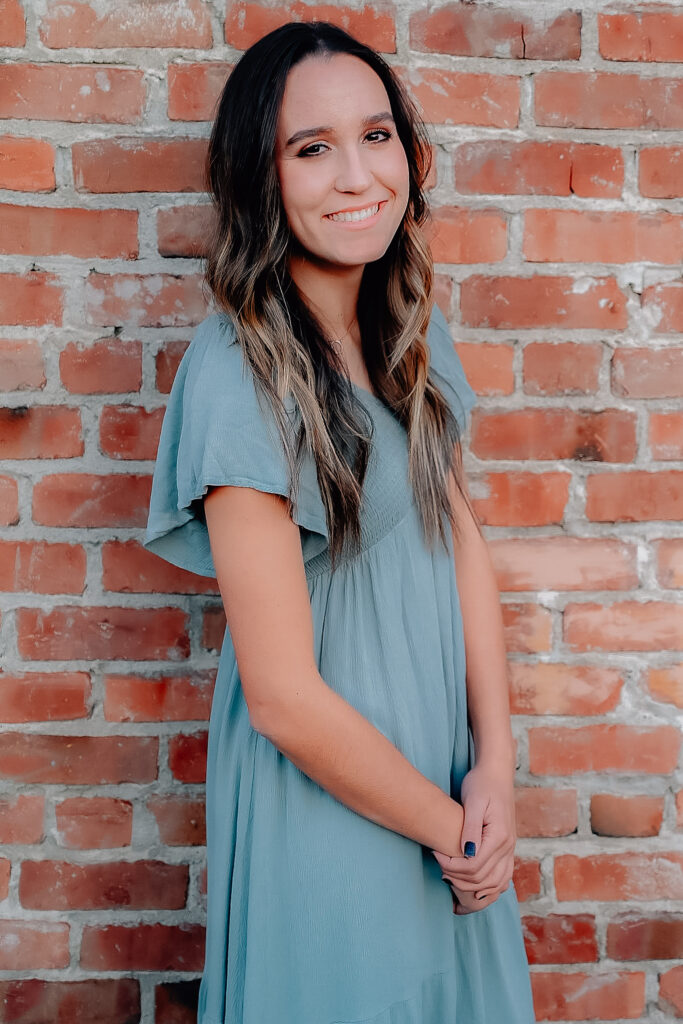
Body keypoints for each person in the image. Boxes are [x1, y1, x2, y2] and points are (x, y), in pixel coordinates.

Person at [143, 20, 535, 1024]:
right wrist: (447, 827)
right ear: (260, 178)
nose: (355, 174)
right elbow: (278, 697)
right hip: (333, 810)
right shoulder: (239, 374)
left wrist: (492, 761)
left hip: (447, 794)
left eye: (375, 136)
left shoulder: (408, 329)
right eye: (310, 149)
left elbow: (459, 546)